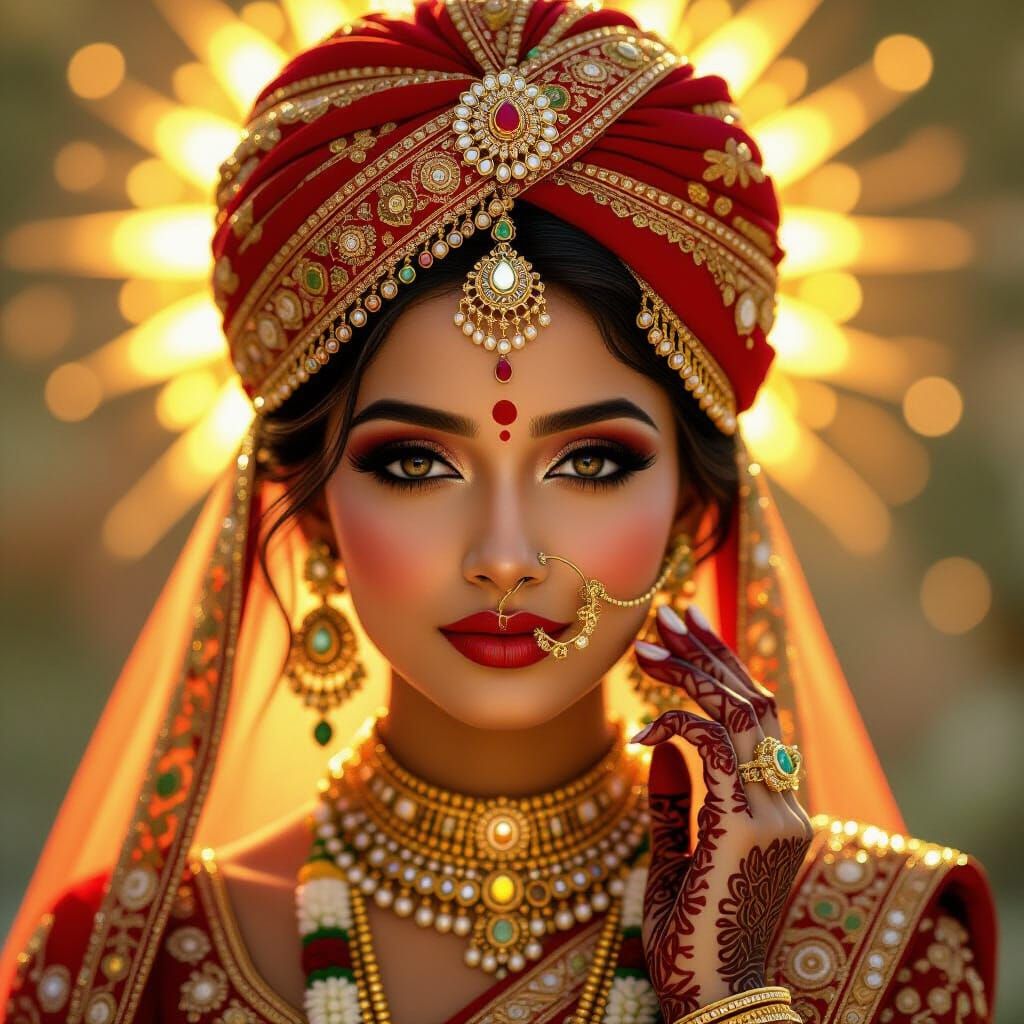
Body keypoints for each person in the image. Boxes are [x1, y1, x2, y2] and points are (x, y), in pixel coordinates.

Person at [2, 2, 997, 1023]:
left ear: (695, 508)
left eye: (593, 461)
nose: (506, 555)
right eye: (416, 462)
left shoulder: (874, 949)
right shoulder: (113, 974)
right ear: (305, 505)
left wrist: (733, 990)